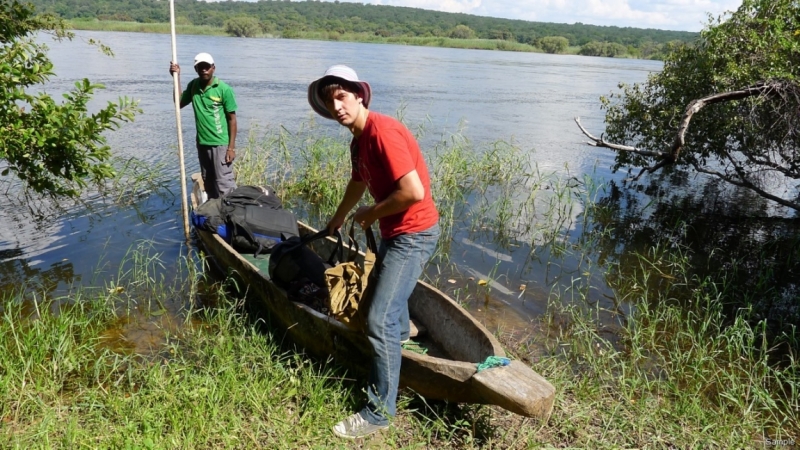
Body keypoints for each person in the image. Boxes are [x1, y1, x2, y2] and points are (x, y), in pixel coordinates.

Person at [308, 65, 440, 439]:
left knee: (377, 318)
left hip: (413, 233)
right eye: (328, 100)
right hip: (395, 232)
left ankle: (380, 411)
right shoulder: (358, 141)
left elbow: (413, 192)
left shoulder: (383, 132)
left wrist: (370, 213)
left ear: (358, 95)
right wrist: (338, 218)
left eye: (341, 97)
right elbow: (359, 180)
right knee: (387, 303)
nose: (336, 106)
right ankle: (401, 346)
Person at [169, 52, 238, 199]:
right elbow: (179, 103)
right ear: (196, 69)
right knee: (208, 182)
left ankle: (232, 214)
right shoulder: (194, 86)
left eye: (206, 67)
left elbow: (232, 119)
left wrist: (231, 148)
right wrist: (176, 78)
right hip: (202, 143)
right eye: (200, 67)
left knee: (224, 183)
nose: (204, 70)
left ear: (213, 68)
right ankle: (214, 214)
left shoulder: (223, 89)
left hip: (220, 143)